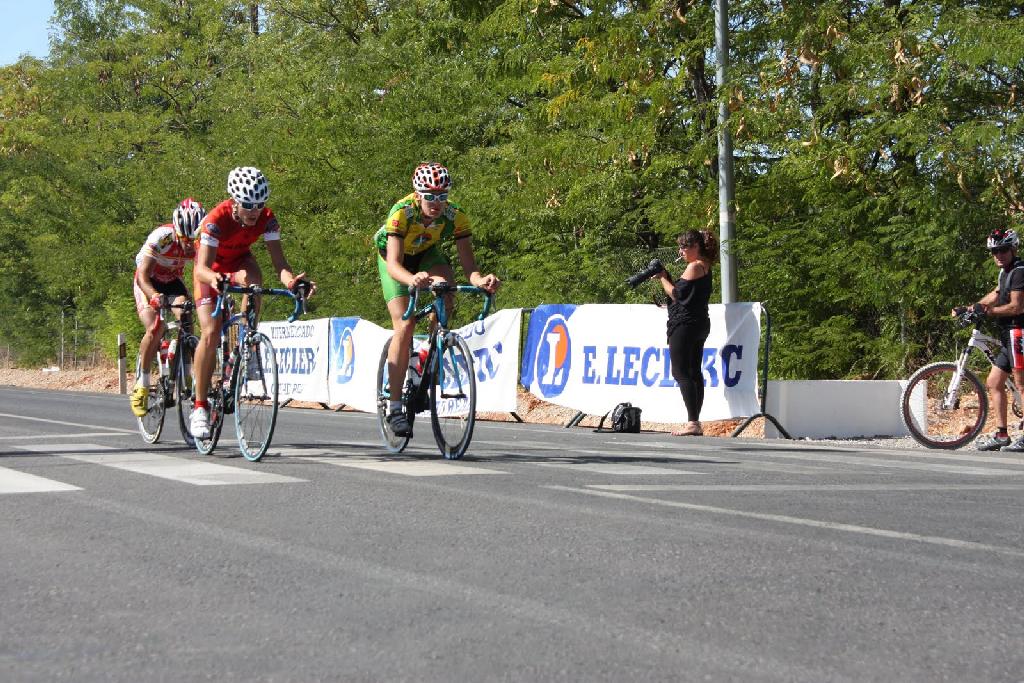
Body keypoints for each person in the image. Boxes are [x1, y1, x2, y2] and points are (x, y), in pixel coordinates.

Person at [373, 162, 501, 437]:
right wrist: (411, 280)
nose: (436, 202)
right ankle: (394, 407)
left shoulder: (456, 215)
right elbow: (394, 264)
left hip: (425, 255)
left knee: (447, 291)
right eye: (430, 196)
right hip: (394, 260)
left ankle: (427, 356)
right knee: (405, 325)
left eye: (442, 196)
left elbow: (470, 268)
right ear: (418, 195)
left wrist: (481, 281)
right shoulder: (401, 212)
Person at [189, 167, 315, 439]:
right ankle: (199, 406)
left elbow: (280, 265)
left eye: (259, 205)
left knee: (255, 280)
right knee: (210, 332)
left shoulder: (267, 219)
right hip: (210, 270)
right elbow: (201, 270)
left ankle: (248, 342)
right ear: (234, 201)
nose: (254, 211)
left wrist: (292, 283)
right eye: (247, 205)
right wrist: (217, 278)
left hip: (239, 263)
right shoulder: (216, 220)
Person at [130, 198, 204, 417]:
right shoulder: (162, 237)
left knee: (187, 315)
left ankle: (186, 372)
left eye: (194, 239)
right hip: (149, 281)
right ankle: (142, 384)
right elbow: (143, 276)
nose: (189, 245)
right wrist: (153, 296)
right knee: (155, 326)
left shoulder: (202, 241)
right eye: (185, 239)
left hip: (172, 281)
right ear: (177, 231)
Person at [954, 227, 1024, 451]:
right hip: (1007, 334)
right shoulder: (1005, 272)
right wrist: (970, 308)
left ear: (1013, 249)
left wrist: (988, 312)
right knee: (994, 382)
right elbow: (995, 294)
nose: (998, 255)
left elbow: (1016, 306)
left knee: (1022, 384)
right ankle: (1002, 435)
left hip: (1019, 332)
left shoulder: (1019, 271)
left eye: (1003, 250)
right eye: (994, 251)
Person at [656, 229, 718, 436]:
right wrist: (667, 277)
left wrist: (662, 278)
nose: (680, 251)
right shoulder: (704, 265)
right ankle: (695, 421)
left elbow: (677, 294)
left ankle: (693, 422)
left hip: (685, 325)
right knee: (693, 372)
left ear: (696, 247)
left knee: (681, 372)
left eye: (684, 247)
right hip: (699, 323)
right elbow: (685, 293)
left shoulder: (694, 266)